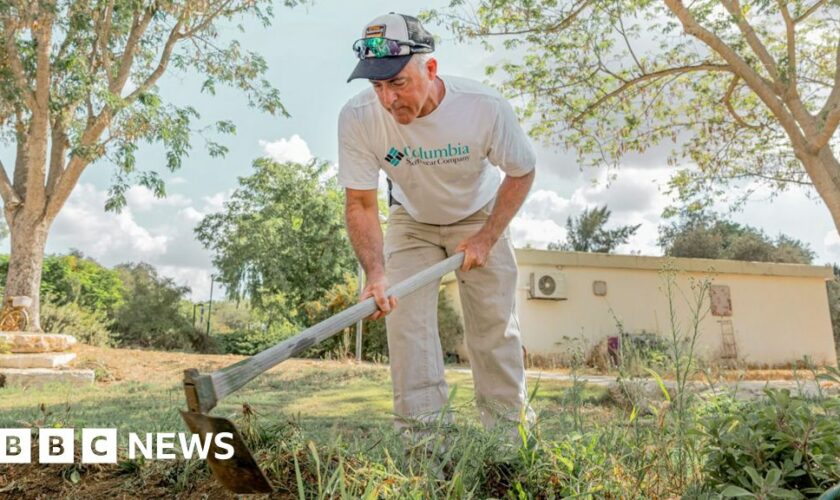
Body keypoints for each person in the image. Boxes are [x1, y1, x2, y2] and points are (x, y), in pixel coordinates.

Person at [338, 12, 536, 441]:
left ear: (429, 69)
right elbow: (360, 202)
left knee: (493, 328)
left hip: (481, 214)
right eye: (378, 87)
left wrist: (487, 237)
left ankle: (508, 443)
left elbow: (522, 171)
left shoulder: (484, 108)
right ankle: (424, 445)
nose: (388, 100)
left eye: (398, 83)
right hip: (412, 221)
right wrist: (376, 273)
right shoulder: (358, 118)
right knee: (406, 327)